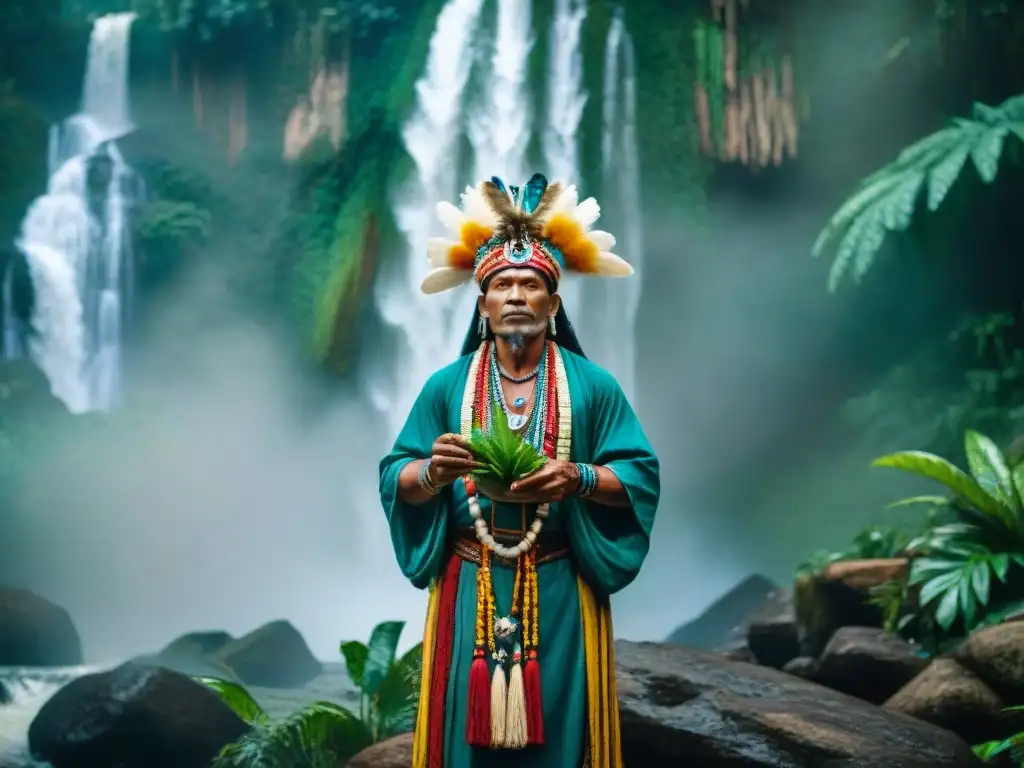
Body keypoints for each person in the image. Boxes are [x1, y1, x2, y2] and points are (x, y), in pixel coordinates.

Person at [379, 173, 660, 768]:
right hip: (469, 583)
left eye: (529, 284)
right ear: (482, 304)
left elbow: (638, 476)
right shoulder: (447, 387)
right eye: (502, 284)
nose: (514, 295)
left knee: (563, 735)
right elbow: (394, 474)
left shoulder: (592, 387)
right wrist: (432, 472)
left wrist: (577, 478)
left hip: (559, 585)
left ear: (552, 304)